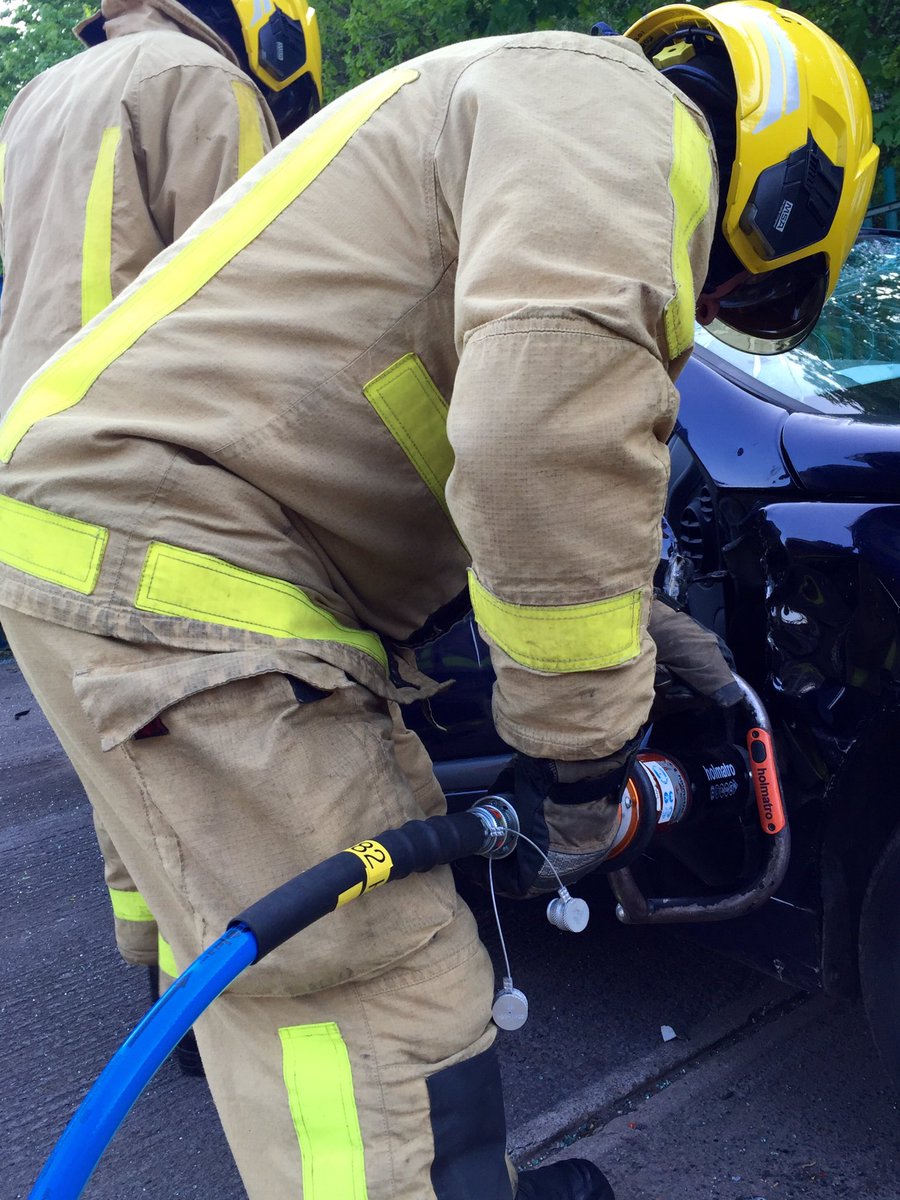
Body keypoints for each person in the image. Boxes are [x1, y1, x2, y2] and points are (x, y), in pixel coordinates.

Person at [0, 3, 877, 1197]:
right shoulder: (631, 126)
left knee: (297, 976)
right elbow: (543, 443)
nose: (703, 304)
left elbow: (474, 452)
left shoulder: (534, 105)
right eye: (731, 286)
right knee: (375, 980)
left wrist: (651, 637)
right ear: (788, 184)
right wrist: (583, 760)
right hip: (181, 557)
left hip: (138, 540)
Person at [0, 0, 320, 1001]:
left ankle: (163, 978)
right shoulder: (199, 83)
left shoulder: (41, 94)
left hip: (36, 469)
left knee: (125, 747)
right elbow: (260, 303)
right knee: (214, 748)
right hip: (152, 466)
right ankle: (240, 993)